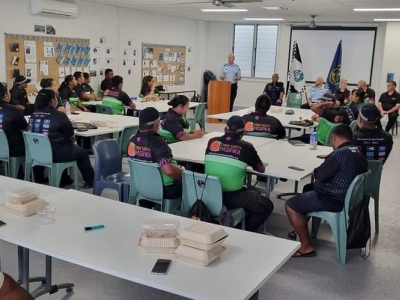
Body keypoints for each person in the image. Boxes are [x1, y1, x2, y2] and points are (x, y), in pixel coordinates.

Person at [286, 125, 368, 257]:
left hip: (332, 199)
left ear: (334, 137)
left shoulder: (337, 155)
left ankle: (306, 246)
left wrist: (316, 170)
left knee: (291, 204)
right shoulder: (358, 152)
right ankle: (299, 229)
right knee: (307, 188)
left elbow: (319, 176)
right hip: (350, 198)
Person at [204, 116, 274, 232]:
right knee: (266, 205)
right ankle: (244, 230)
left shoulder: (212, 142)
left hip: (209, 192)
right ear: (243, 132)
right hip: (232, 196)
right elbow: (261, 169)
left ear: (225, 129)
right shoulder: (246, 147)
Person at [28, 89, 95, 188]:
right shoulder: (59, 115)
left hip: (38, 153)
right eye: (55, 98)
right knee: (82, 153)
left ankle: (41, 178)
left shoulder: (33, 115)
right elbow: (71, 136)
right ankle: (90, 181)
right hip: (57, 153)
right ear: (52, 101)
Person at [127, 107, 183, 208]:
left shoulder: (132, 141)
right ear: (156, 125)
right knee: (191, 184)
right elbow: (169, 170)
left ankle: (146, 205)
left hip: (141, 185)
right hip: (163, 188)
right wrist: (183, 174)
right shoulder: (158, 142)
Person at [0, 82, 27, 161]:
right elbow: (24, 128)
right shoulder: (13, 110)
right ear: (5, 95)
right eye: (8, 91)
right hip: (12, 148)